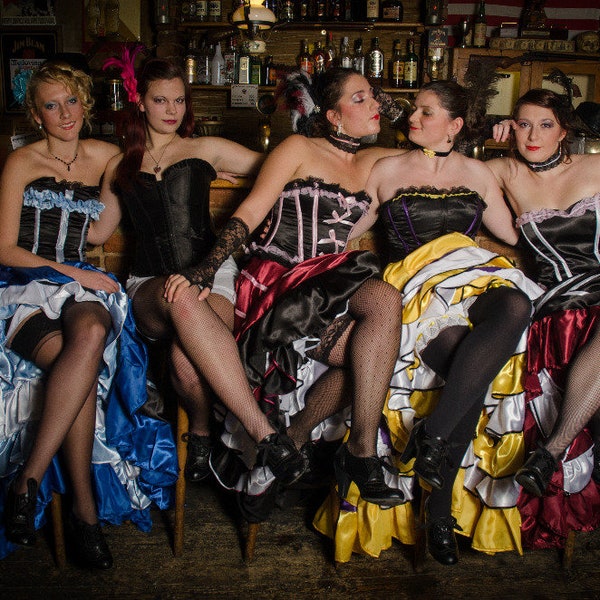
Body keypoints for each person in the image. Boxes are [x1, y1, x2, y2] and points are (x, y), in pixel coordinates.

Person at [315, 80, 543, 566]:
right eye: (414, 111)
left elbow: (517, 234)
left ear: (455, 125)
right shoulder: (385, 168)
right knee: (468, 361)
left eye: (425, 112)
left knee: (516, 307)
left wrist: (523, 163)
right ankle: (438, 512)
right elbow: (344, 230)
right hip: (418, 291)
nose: (411, 120)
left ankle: (432, 438)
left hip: (475, 277)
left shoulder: (478, 171)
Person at [179, 67, 408, 518]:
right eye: (360, 98)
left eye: (374, 95)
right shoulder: (298, 148)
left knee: (384, 306)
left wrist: (376, 98)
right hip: (281, 280)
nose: (375, 104)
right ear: (331, 115)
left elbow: (426, 141)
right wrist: (206, 269)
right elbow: (250, 210)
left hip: (334, 276)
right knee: (369, 354)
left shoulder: (378, 160)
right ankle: (298, 445)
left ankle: (345, 447)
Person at [0, 60, 177, 568]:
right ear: (36, 114)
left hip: (79, 287)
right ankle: (84, 513)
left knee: (94, 329)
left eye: (72, 101)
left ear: (86, 103)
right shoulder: (21, 163)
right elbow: (5, 249)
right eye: (51, 105)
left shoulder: (106, 156)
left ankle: (27, 482)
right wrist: (73, 273)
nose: (64, 113)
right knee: (77, 368)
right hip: (25, 284)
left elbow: (98, 234)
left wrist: (128, 184)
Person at [101, 57, 307, 491]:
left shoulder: (205, 148)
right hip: (148, 285)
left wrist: (244, 178)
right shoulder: (116, 164)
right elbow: (100, 229)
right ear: (139, 101)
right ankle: (265, 435)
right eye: (160, 100)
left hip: (212, 273)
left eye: (179, 99)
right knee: (179, 297)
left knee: (186, 362)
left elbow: (286, 164)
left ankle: (199, 432)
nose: (171, 109)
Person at [489, 88, 600, 549]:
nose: (532, 135)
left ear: (565, 131)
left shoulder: (596, 167)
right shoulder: (502, 171)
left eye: (545, 125)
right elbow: (437, 158)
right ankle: (553, 452)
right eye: (522, 123)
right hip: (557, 305)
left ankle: (551, 451)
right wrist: (484, 131)